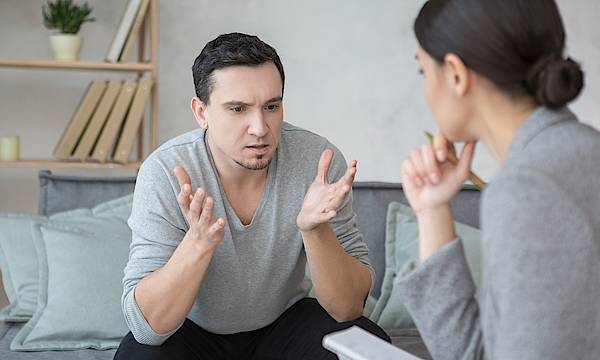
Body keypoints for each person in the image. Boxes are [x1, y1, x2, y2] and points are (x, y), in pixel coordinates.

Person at [113, 32, 389, 359]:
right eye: (238, 109)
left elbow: (348, 308)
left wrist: (315, 231)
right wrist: (198, 243)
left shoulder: (319, 161)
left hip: (285, 324)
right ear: (201, 112)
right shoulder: (165, 171)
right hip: (192, 331)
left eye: (272, 106)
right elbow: (147, 327)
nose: (260, 127)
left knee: (368, 344)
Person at [395, 0, 600, 359]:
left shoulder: (528, 189)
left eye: (422, 72)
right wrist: (432, 211)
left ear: (456, 75)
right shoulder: (581, 152)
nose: (425, 87)